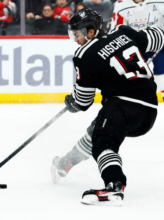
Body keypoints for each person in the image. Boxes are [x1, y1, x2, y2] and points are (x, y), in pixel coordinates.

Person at [53, 8, 162, 206]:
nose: (75, 39)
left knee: (103, 143)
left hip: (122, 105)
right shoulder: (123, 32)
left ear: (91, 32)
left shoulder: (85, 54)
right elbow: (158, 36)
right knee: (95, 132)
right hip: (149, 110)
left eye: (77, 34)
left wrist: (73, 101)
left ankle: (114, 186)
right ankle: (66, 163)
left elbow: (83, 102)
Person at [111, 0, 164, 99]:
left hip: (159, 42)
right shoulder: (121, 5)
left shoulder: (160, 1)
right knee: (135, 77)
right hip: (136, 46)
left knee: (161, 71)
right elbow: (117, 30)